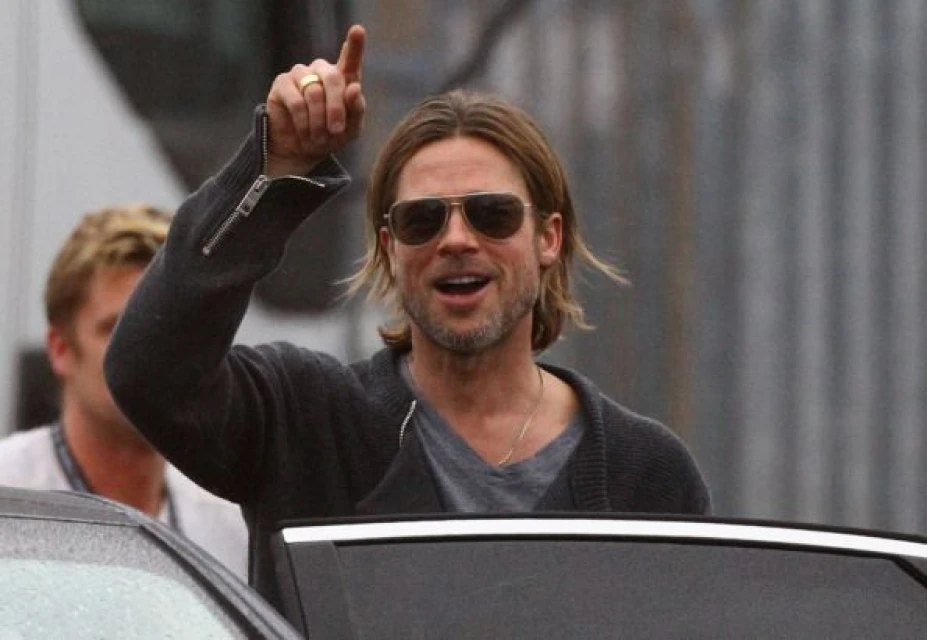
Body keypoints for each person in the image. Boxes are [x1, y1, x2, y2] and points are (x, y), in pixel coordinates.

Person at [104, 25, 709, 606]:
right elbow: (149, 372)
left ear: (548, 238)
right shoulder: (305, 422)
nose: (456, 240)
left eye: (492, 214)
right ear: (390, 248)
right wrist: (273, 169)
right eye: (422, 220)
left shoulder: (646, 474)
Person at [0, 204, 248, 579]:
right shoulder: (9, 493)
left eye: (169, 328)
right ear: (60, 349)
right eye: (120, 330)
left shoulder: (231, 522)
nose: (148, 353)